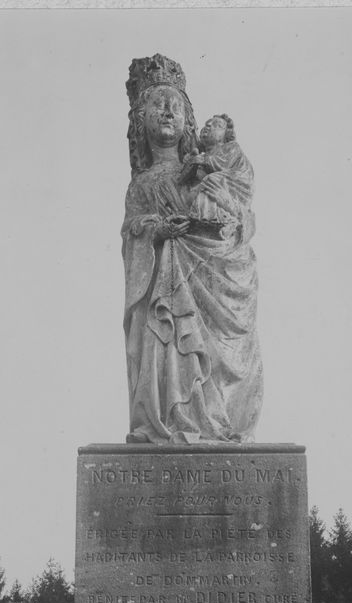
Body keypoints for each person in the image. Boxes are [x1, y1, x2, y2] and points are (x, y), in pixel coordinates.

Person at [121, 54, 263, 444]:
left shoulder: (208, 170)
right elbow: (132, 233)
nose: (168, 111)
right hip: (165, 295)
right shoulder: (141, 186)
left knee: (215, 366)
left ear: (188, 119)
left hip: (214, 285)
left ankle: (216, 423)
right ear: (140, 120)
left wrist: (228, 206)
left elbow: (242, 225)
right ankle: (171, 422)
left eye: (176, 105)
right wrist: (157, 229)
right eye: (157, 104)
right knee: (169, 353)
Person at [180, 114, 253, 239]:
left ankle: (220, 220)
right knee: (203, 185)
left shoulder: (231, 147)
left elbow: (222, 163)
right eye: (207, 124)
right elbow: (182, 180)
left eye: (217, 125)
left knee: (211, 180)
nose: (208, 126)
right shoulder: (201, 156)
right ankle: (203, 218)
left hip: (235, 182)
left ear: (226, 136)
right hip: (210, 189)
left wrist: (202, 160)